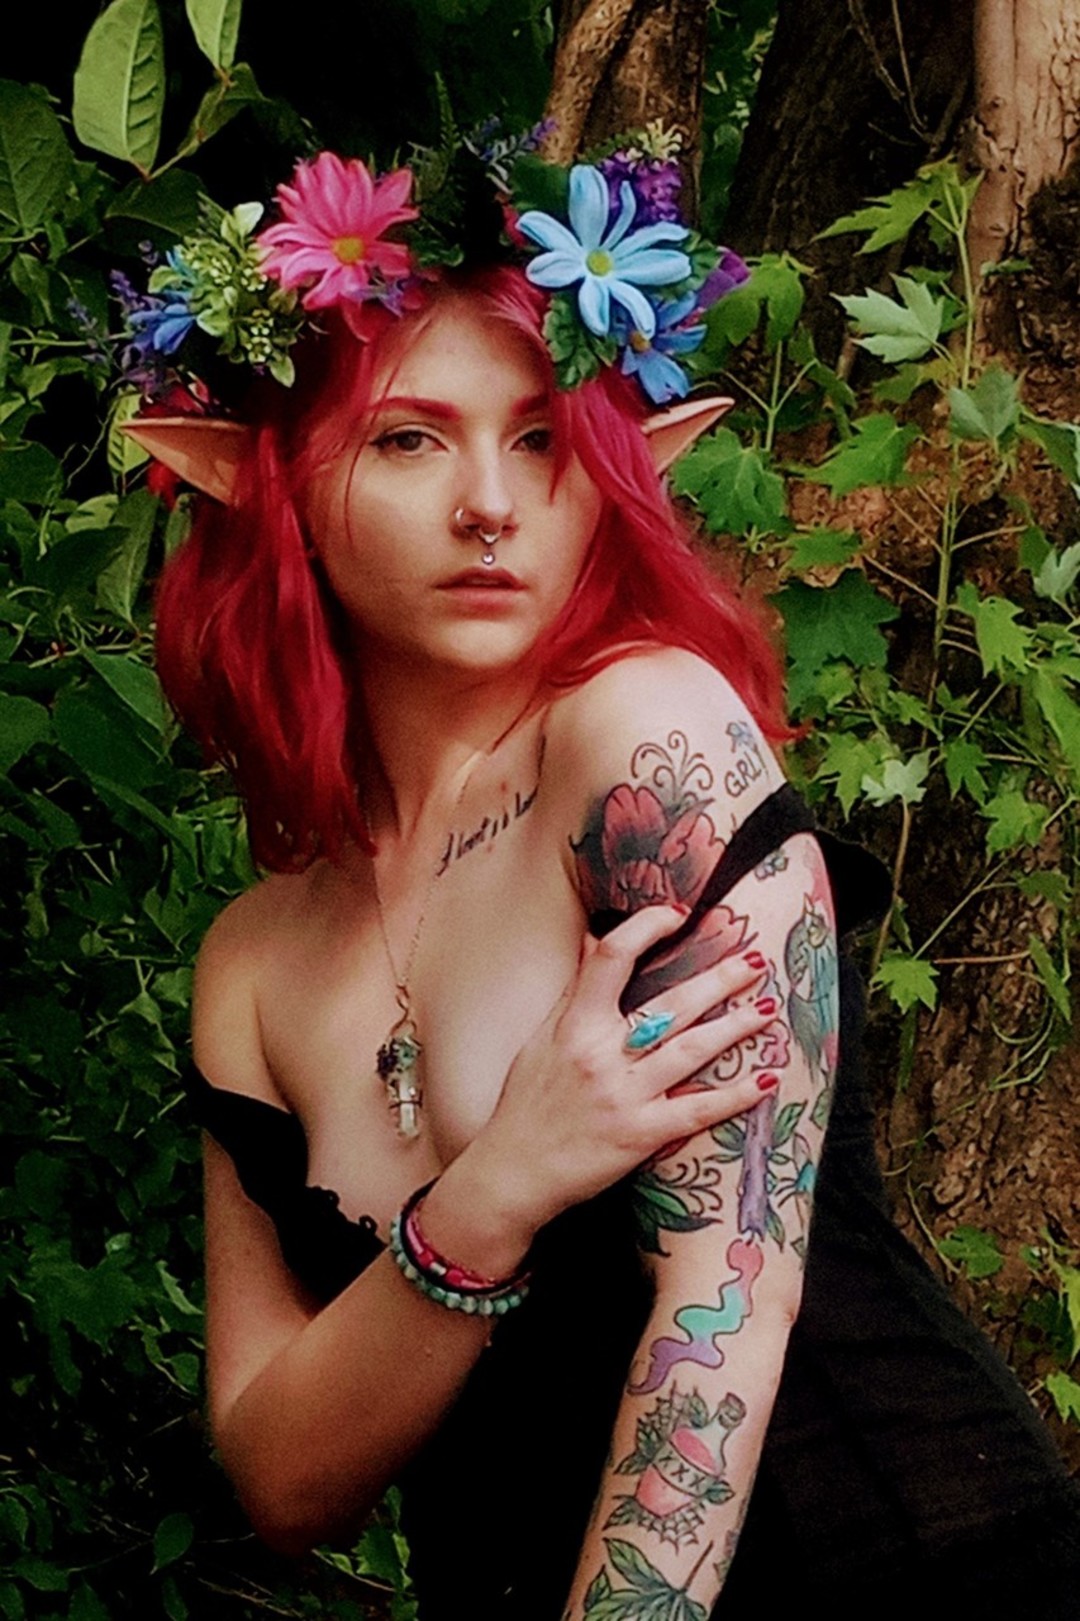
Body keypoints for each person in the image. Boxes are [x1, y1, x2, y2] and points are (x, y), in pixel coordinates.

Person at [126, 146, 1080, 1619]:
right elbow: (282, 1477)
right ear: (276, 483)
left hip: (907, 1569)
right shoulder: (252, 963)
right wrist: (491, 1195)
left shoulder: (641, 733)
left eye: (542, 439)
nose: (491, 504)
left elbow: (726, 1310)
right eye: (409, 440)